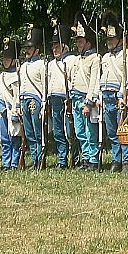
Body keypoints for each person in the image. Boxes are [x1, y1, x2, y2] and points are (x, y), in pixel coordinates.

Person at [47, 23, 80, 168]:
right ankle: (62, 159)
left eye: (57, 46)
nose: (54, 49)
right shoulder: (51, 64)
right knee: (58, 131)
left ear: (65, 46)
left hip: (67, 99)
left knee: (70, 130)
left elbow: (74, 80)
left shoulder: (72, 60)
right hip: (55, 98)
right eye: (53, 46)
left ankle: (75, 157)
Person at [71, 18, 102, 170]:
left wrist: (88, 102)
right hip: (76, 98)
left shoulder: (95, 59)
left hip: (85, 99)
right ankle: (86, 158)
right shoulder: (78, 59)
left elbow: (94, 82)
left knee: (90, 132)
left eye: (81, 42)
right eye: (78, 42)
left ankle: (93, 160)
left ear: (88, 43)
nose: (78, 45)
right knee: (80, 132)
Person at [99, 15, 128, 171]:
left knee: (123, 131)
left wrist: (121, 96)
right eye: (108, 39)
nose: (109, 42)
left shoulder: (127, 54)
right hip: (106, 97)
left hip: (118, 97)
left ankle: (126, 162)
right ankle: (116, 160)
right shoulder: (105, 57)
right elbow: (102, 78)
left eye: (112, 39)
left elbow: (127, 76)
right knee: (112, 132)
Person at [18, 25, 48, 169]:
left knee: (38, 132)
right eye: (26, 48)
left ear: (37, 49)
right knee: (29, 133)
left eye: (30, 48)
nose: (27, 50)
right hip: (24, 100)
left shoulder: (42, 64)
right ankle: (34, 158)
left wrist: (43, 104)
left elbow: (44, 86)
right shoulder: (23, 66)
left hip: (35, 101)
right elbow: (20, 86)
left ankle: (40, 159)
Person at [0, 38, 24, 170]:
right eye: (4, 59)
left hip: (12, 110)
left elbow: (17, 96)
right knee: (4, 138)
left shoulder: (17, 76)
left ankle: (14, 162)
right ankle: (6, 162)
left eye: (8, 59)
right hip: (2, 109)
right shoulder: (1, 75)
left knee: (14, 137)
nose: (5, 61)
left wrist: (15, 110)